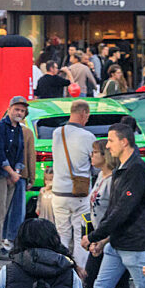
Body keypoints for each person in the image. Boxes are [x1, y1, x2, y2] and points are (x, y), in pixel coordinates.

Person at [83, 122, 145, 288]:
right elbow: (114, 208)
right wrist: (102, 240)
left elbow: (122, 211)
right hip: (116, 244)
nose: (107, 146)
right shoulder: (122, 167)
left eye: (110, 140)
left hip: (134, 245)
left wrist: (94, 236)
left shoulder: (135, 169)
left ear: (124, 142)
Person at [51, 100, 94, 268]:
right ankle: (79, 273)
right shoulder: (88, 137)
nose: (87, 119)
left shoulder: (57, 133)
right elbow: (95, 162)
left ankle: (60, 269)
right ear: (83, 113)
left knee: (62, 234)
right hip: (80, 195)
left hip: (59, 193)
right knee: (80, 235)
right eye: (87, 116)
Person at [0, 95, 28, 261]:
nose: (19, 112)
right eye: (17, 109)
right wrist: (12, 172)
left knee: (5, 210)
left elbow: (20, 152)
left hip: (11, 175)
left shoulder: (19, 129)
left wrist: (16, 171)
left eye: (22, 111)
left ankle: (1, 243)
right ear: (9, 109)